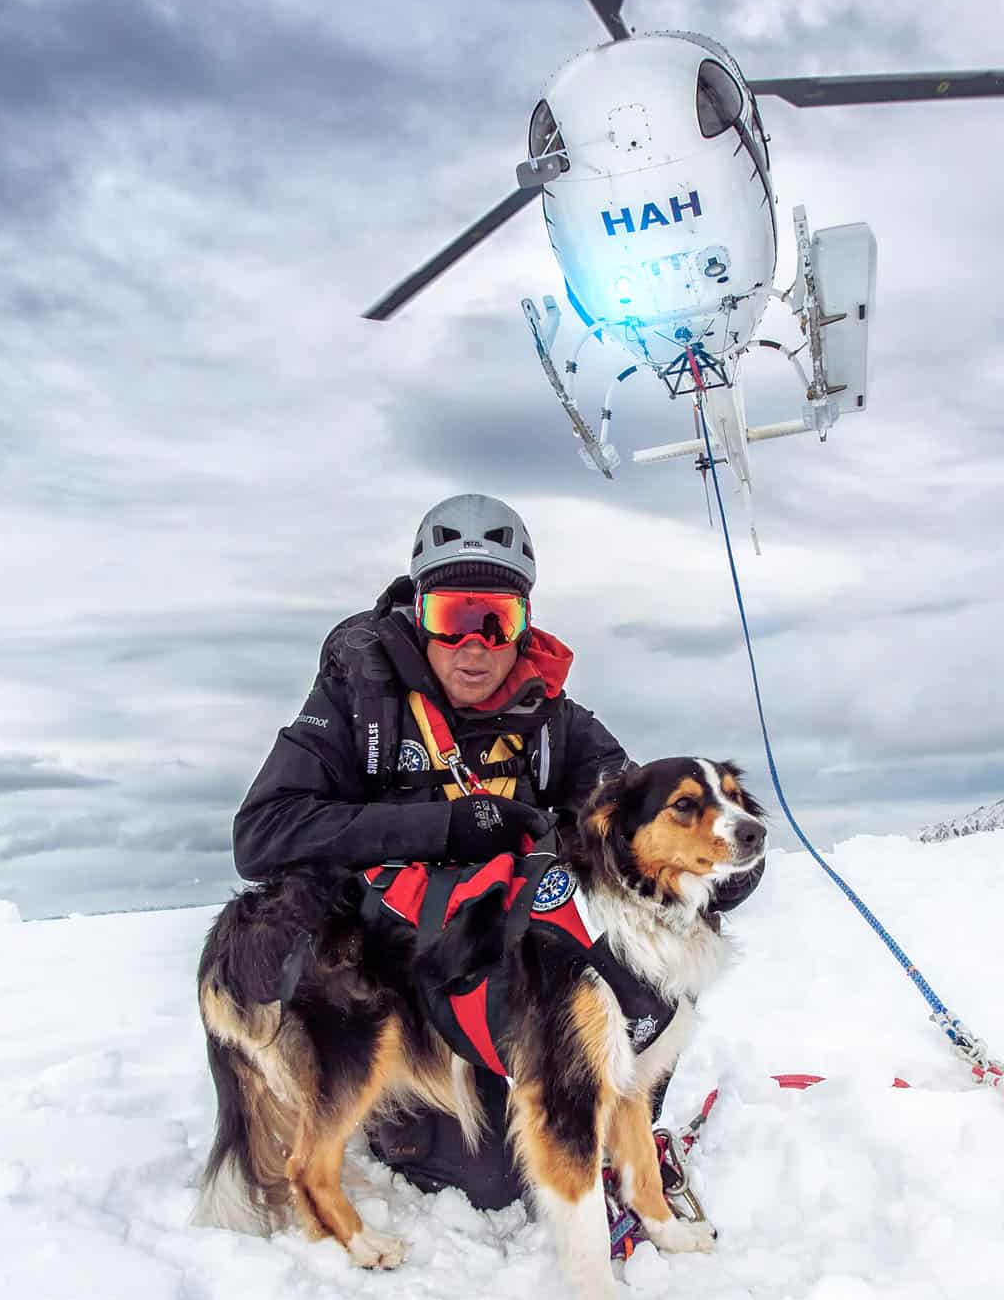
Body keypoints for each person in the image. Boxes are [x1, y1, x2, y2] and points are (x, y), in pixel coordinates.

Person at [232, 490, 761, 1209]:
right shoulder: (359, 701)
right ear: (420, 617)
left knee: (633, 994)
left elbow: (646, 830)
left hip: (510, 977)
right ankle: (375, 1102)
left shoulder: (557, 723)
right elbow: (264, 833)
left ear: (522, 625)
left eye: (496, 618)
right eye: (452, 619)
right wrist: (445, 828)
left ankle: (617, 1112)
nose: (474, 643)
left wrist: (717, 876)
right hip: (400, 980)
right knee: (488, 1180)